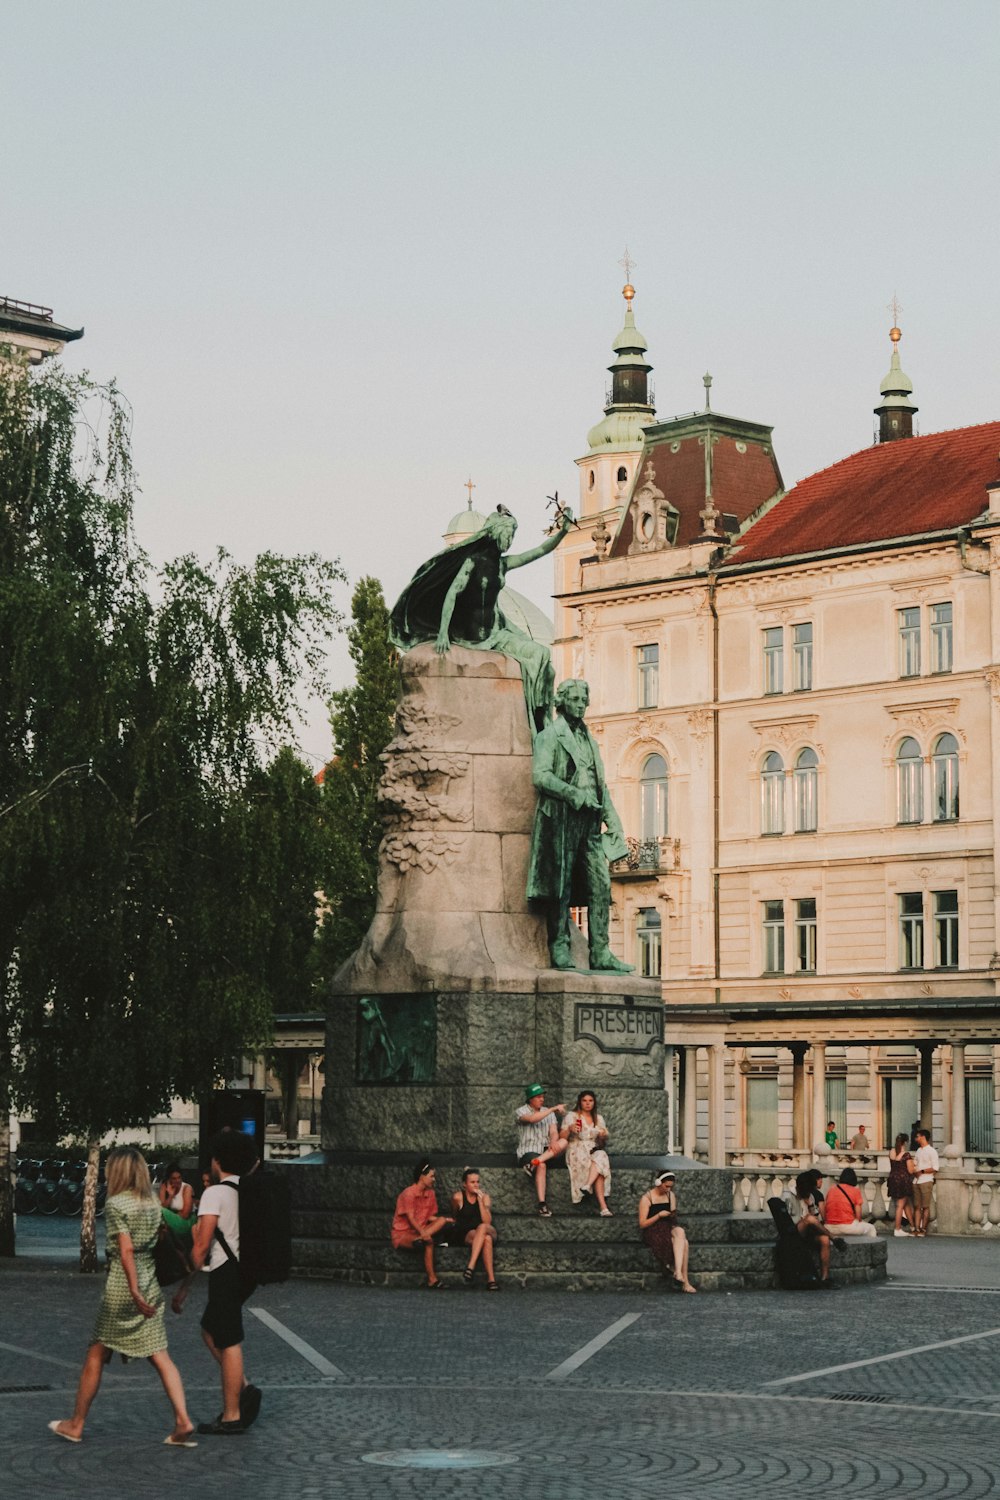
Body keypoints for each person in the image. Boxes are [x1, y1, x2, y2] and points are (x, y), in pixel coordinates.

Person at [48, 1146, 197, 1448]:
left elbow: (125, 1250)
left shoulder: (117, 1205)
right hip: (151, 1283)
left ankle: (76, 1424)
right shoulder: (153, 1205)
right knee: (160, 1356)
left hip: (122, 1287)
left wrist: (132, 1290)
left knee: (96, 1354)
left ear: (116, 1172)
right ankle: (182, 1420)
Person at [389, 504, 573, 734]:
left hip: (497, 634)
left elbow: (539, 551)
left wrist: (563, 531)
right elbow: (452, 594)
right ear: (496, 532)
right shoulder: (472, 562)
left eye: (513, 535)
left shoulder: (503, 564)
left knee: (542, 654)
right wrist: (444, 632)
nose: (511, 540)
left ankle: (539, 719)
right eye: (509, 534)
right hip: (471, 636)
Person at [527, 678, 633, 972]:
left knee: (601, 885)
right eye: (574, 699)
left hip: (590, 824)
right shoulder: (550, 736)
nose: (581, 704)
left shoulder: (591, 741)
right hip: (561, 819)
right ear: (561, 703)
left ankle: (600, 951)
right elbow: (541, 776)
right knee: (560, 886)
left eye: (584, 700)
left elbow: (601, 787)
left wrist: (614, 822)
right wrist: (574, 795)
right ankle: (559, 946)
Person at [172, 1130, 261, 1436]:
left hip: (225, 1271)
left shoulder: (214, 1193)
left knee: (228, 1339)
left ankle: (232, 1415)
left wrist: (185, 1285)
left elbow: (201, 1245)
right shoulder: (245, 1190)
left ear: (218, 1160)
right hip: (246, 1271)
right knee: (211, 1330)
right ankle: (244, 1388)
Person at [391, 1160, 454, 1288]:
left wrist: (444, 1221)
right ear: (422, 1176)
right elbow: (411, 1218)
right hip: (403, 1234)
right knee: (428, 1239)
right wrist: (423, 1233)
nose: (434, 1179)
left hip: (421, 1232)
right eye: (431, 1176)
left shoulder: (430, 1193)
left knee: (440, 1221)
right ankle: (432, 1279)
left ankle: (432, 1280)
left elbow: (428, 1217)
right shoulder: (408, 1193)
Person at [784, 1168, 844, 1288]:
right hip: (793, 1232)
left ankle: (824, 1278)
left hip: (808, 1231)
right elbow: (786, 1221)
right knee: (809, 1219)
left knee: (824, 1240)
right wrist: (806, 1219)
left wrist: (810, 1205)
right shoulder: (788, 1196)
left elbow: (816, 1217)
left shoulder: (810, 1196)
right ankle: (833, 1238)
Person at [637, 1170, 696, 1293]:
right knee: (685, 1243)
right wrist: (658, 1215)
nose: (668, 1189)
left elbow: (673, 1218)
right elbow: (642, 1224)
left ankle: (678, 1272)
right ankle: (685, 1282)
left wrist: (671, 1214)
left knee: (680, 1231)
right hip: (653, 1229)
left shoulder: (671, 1195)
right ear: (658, 1183)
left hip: (668, 1225)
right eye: (666, 1186)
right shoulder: (647, 1198)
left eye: (670, 1186)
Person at [515, 1084, 567, 1218]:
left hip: (547, 1150)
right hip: (529, 1151)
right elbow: (532, 1119)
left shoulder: (547, 1111)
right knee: (541, 1166)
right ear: (530, 1099)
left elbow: (554, 1131)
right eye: (538, 1097)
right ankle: (542, 1204)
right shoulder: (521, 1111)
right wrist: (553, 1109)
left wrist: (554, 1141)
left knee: (564, 1142)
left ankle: (535, 1163)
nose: (542, 1099)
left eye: (543, 1097)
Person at [560, 1090, 612, 1215]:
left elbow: (602, 1142)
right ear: (580, 1102)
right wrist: (570, 1129)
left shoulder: (598, 1118)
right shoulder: (572, 1116)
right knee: (599, 1167)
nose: (588, 1103)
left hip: (593, 1148)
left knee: (602, 1157)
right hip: (576, 1147)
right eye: (584, 1100)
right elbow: (562, 1136)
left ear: (594, 1103)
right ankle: (603, 1207)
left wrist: (603, 1135)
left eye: (590, 1101)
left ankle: (588, 1185)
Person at [450, 1168, 498, 1290]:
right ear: (464, 1184)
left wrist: (481, 1202)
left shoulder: (485, 1197)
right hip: (468, 1234)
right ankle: (491, 1280)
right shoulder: (458, 1197)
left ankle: (470, 1266)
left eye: (477, 1182)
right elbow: (455, 1214)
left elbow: (487, 1221)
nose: (476, 1185)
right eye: (472, 1182)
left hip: (487, 1229)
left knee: (483, 1228)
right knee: (486, 1240)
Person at [823, 1167, 877, 1237]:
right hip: (847, 1227)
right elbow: (858, 1216)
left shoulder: (831, 1190)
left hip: (829, 1226)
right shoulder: (855, 1191)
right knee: (871, 1228)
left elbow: (825, 1209)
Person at [911, 1127, 940, 1237]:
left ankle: (923, 1229)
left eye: (918, 1136)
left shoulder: (932, 1151)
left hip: (926, 1180)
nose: (916, 1138)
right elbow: (915, 1163)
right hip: (916, 1181)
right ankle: (917, 1228)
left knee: (925, 1206)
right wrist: (914, 1170)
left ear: (923, 1137)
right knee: (917, 1206)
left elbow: (935, 1167)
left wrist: (921, 1171)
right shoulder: (919, 1150)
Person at [887, 1131, 916, 1236]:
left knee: (905, 1203)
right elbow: (911, 1170)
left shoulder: (892, 1152)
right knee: (900, 1205)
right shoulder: (906, 1155)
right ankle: (897, 1229)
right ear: (905, 1142)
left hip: (893, 1179)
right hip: (903, 1180)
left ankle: (913, 1226)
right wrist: (914, 1164)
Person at [159, 1162, 194, 1239]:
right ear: (169, 1179)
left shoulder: (186, 1188)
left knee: (160, 1211)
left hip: (186, 1221)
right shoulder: (164, 1186)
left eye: (179, 1177)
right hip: (172, 1219)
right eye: (174, 1178)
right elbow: (162, 1207)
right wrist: (170, 1196)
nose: (177, 1180)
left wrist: (172, 1215)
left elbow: (185, 1214)